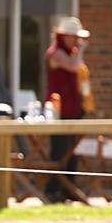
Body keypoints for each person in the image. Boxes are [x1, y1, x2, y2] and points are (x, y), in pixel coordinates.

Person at [44, 17, 89, 203]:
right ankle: (52, 190)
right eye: (73, 37)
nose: (77, 40)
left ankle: (69, 189)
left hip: (74, 108)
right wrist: (82, 50)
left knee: (72, 151)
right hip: (58, 110)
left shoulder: (72, 53)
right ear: (64, 36)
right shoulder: (55, 53)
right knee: (59, 151)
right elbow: (72, 66)